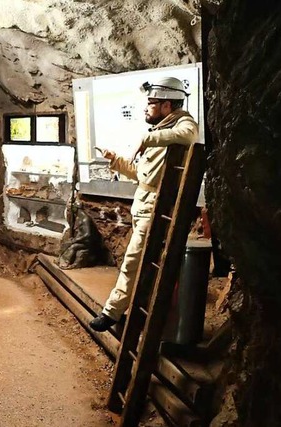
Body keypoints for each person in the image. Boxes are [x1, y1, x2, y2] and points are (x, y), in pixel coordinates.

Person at [89, 77, 199, 332]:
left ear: (166, 105)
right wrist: (115, 159)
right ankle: (133, 312)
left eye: (151, 103)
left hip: (156, 209)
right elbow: (143, 175)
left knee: (132, 262)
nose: (146, 108)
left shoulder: (181, 123)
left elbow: (190, 133)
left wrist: (145, 140)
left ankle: (111, 312)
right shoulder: (163, 130)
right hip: (144, 203)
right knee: (139, 263)